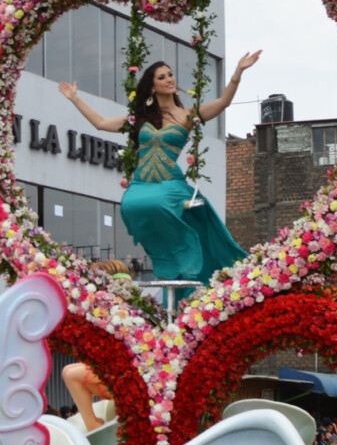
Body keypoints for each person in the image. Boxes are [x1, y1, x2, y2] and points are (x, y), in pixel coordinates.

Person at [58, 54, 259, 285]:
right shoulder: (140, 119)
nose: (170, 79)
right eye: (162, 77)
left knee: (159, 204)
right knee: (130, 205)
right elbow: (101, 123)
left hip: (169, 184)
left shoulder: (188, 116)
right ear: (153, 87)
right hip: (142, 183)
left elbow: (223, 102)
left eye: (171, 74)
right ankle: (166, 256)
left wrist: (238, 72)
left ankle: (182, 262)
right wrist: (75, 99)